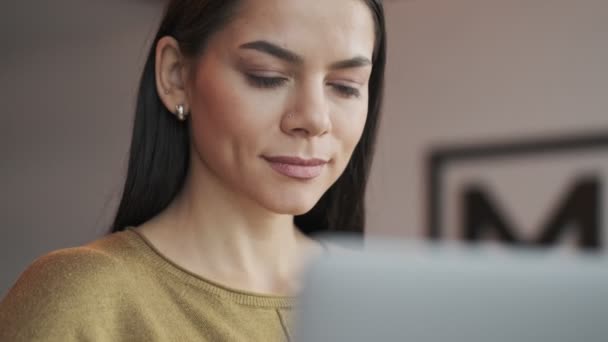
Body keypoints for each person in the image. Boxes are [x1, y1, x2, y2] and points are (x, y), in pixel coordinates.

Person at [0, 0, 386, 340]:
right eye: (267, 76)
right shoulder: (82, 300)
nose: (314, 119)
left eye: (345, 85)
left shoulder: (378, 296)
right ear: (175, 75)